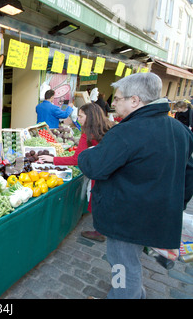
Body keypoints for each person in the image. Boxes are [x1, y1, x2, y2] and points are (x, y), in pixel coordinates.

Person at [77, 72, 193, 299]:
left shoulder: (127, 131)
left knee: (122, 266)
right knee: (132, 262)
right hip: (156, 214)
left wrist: (86, 155)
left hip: (127, 218)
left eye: (118, 98)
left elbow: (94, 168)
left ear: (135, 100)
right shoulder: (179, 129)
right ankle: (136, 294)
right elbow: (189, 173)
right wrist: (176, 205)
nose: (114, 103)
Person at [38, 102, 114, 242]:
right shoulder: (109, 127)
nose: (78, 119)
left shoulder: (88, 135)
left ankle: (99, 231)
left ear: (90, 116)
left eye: (81, 116)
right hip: (110, 170)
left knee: (96, 200)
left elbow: (76, 159)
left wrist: (53, 159)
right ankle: (104, 229)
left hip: (98, 172)